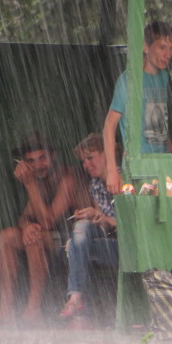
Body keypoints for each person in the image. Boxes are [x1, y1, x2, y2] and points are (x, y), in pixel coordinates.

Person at [0, 132, 84, 326]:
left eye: (42, 158)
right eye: (31, 161)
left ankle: (33, 309)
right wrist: (27, 226)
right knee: (7, 236)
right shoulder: (40, 182)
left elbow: (47, 221)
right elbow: (25, 217)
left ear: (53, 156)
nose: (38, 165)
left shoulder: (68, 178)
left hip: (77, 240)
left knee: (36, 237)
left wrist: (30, 184)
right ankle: (5, 309)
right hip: (52, 237)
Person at [103, 21, 172, 194]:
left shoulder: (164, 77)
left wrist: (169, 144)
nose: (168, 54)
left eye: (171, 49)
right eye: (162, 47)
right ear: (145, 47)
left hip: (162, 164)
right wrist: (112, 170)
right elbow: (109, 126)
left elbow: (156, 116)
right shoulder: (130, 79)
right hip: (137, 167)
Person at [59, 134, 118, 324]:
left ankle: (77, 300)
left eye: (90, 158)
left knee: (77, 246)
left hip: (127, 246)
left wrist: (105, 219)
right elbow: (103, 225)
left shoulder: (125, 179)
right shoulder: (95, 185)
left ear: (106, 154)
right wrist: (94, 217)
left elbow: (133, 227)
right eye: (83, 161)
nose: (86, 164)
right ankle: (75, 297)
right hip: (107, 239)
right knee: (80, 228)